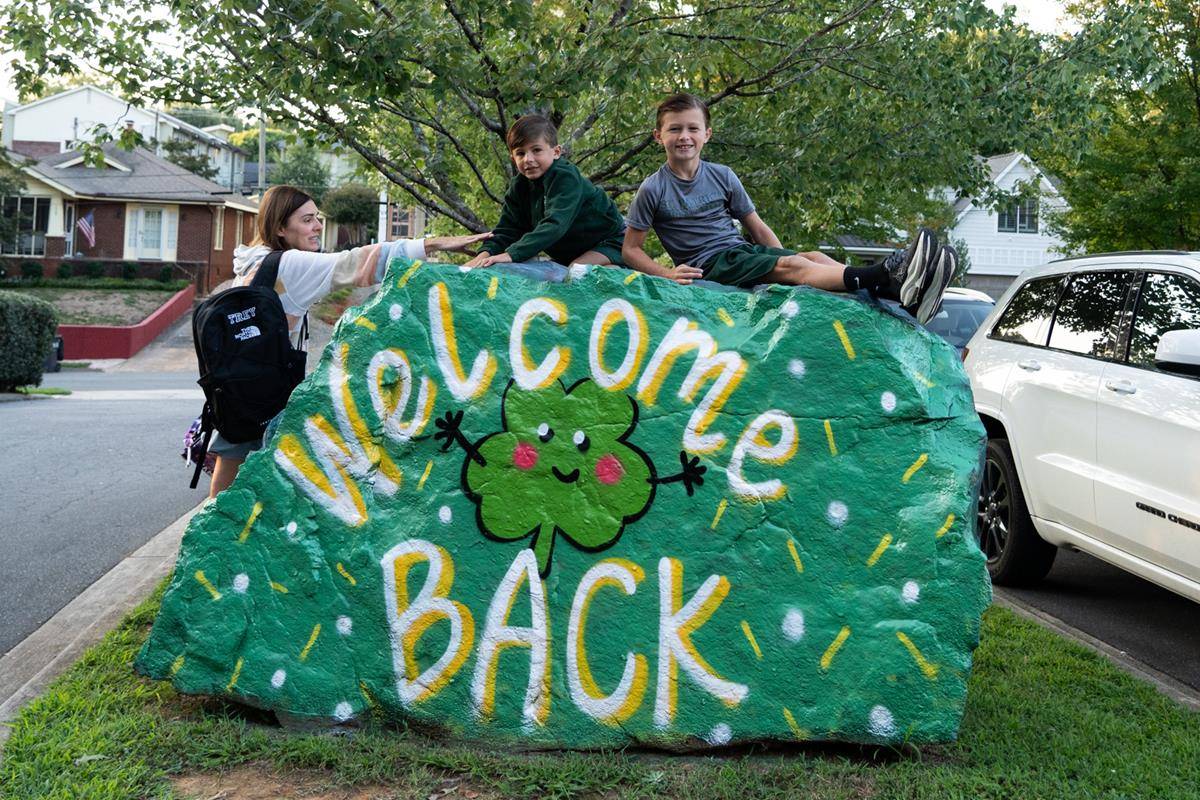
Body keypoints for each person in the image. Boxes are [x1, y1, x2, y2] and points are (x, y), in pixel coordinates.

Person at [207, 184, 490, 498]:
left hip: (236, 388)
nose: (317, 226)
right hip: (265, 392)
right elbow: (363, 261)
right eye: (307, 220)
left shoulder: (252, 263)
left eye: (317, 218)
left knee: (229, 472)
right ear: (280, 228)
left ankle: (208, 542)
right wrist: (438, 244)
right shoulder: (290, 264)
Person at [622, 93, 956, 324]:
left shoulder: (722, 175)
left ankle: (898, 293)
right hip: (708, 266)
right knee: (794, 265)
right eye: (675, 129)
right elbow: (631, 249)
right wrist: (667, 274)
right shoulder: (653, 188)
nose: (684, 136)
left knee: (811, 258)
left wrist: (782, 259)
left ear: (707, 134)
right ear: (658, 136)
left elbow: (757, 226)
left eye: (693, 128)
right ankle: (886, 273)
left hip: (739, 252)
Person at [462, 115, 628, 269]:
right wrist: (483, 256)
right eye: (521, 153)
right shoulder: (519, 187)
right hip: (571, 252)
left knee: (577, 272)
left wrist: (511, 254)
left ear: (556, 152)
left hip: (610, 241)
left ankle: (621, 274)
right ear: (513, 159)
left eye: (536, 150)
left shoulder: (566, 178)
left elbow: (555, 224)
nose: (528, 159)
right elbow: (507, 230)